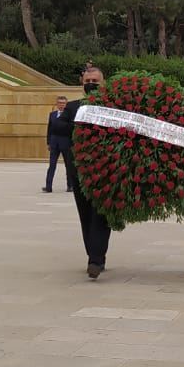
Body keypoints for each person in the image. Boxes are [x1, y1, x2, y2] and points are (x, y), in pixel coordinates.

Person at [51, 65, 112, 279]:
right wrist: (82, 124)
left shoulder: (112, 106)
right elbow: (58, 126)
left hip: (106, 171)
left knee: (101, 215)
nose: (91, 85)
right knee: (85, 215)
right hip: (80, 171)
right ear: (82, 82)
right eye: (88, 81)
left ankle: (96, 259)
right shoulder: (73, 107)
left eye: (95, 81)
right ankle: (93, 255)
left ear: (103, 82)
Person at [44, 96, 72, 193]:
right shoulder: (52, 114)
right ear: (57, 104)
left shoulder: (70, 115)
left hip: (66, 142)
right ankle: (48, 186)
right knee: (52, 165)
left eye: (63, 103)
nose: (61, 105)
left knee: (68, 165)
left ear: (66, 104)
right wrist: (48, 142)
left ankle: (70, 186)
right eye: (59, 103)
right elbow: (49, 129)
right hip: (54, 142)